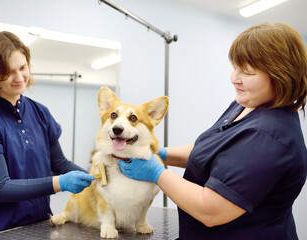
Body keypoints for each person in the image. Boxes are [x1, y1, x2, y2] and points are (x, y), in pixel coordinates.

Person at [118, 22, 307, 240]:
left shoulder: (269, 137)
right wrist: (161, 153)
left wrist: (155, 172)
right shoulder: (246, 104)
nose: (234, 78)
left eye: (246, 71)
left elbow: (211, 210)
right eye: (235, 67)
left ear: (281, 75)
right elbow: (213, 148)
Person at [0, 31, 94, 239]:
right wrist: (61, 183)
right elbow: (0, 187)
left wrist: (96, 180)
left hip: (37, 225)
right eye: (8, 72)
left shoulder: (40, 112)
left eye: (23, 68)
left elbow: (60, 162)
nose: (19, 77)